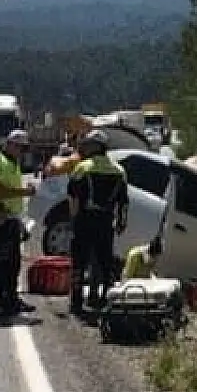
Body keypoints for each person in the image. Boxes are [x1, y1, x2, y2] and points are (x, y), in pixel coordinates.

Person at [67, 130, 129, 314]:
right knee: (105, 263)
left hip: (85, 220)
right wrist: (121, 223)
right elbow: (124, 202)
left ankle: (76, 301)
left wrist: (73, 220)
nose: (85, 148)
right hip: (106, 221)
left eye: (88, 145)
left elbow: (73, 198)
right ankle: (105, 299)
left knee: (79, 262)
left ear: (95, 147)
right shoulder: (119, 170)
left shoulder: (83, 168)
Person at [0, 130, 37, 319]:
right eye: (20, 148)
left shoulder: (13, 163)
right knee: (1, 264)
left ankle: (12, 300)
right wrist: (24, 192)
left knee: (13, 263)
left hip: (11, 218)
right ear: (10, 145)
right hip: (0, 219)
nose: (22, 152)